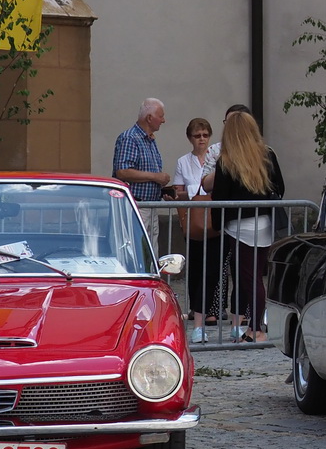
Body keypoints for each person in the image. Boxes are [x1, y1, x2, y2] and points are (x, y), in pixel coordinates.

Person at [209, 111, 284, 342]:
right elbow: (280, 187)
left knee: (249, 279)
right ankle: (256, 326)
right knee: (255, 277)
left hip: (239, 226)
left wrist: (217, 223)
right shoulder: (267, 155)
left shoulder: (227, 160)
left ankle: (256, 329)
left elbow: (220, 197)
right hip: (263, 223)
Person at [168, 118, 218, 342]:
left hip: (214, 217)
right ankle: (197, 309)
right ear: (190, 138)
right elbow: (179, 191)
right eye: (197, 136)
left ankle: (208, 309)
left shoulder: (216, 158)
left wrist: (194, 190)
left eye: (205, 135)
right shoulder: (183, 161)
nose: (202, 140)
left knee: (214, 267)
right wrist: (194, 190)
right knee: (196, 264)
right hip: (194, 218)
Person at [114, 98, 170, 202]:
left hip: (150, 205)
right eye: (161, 116)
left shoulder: (149, 140)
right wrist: (156, 177)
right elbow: (123, 172)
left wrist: (162, 190)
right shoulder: (130, 138)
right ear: (149, 118)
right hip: (135, 205)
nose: (163, 120)